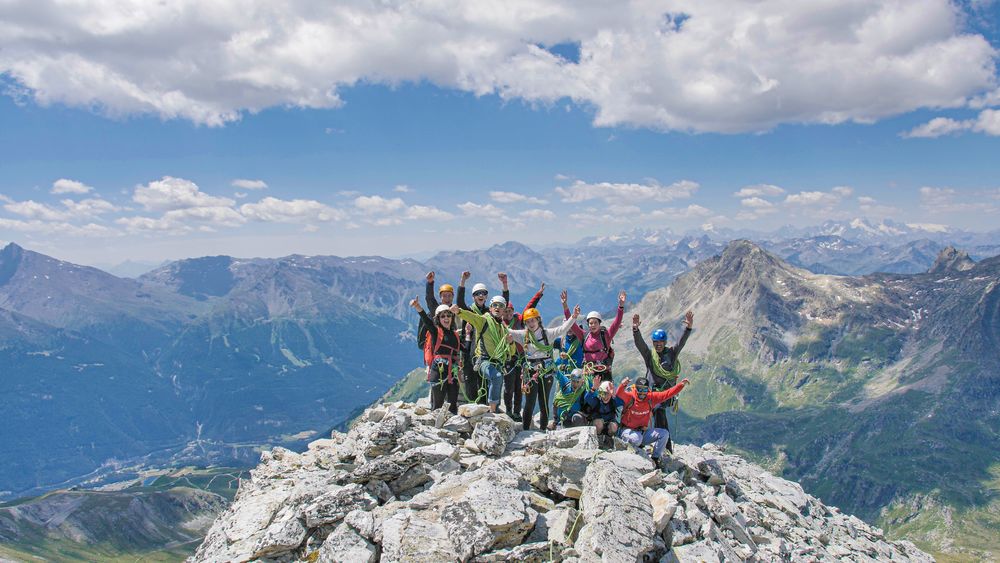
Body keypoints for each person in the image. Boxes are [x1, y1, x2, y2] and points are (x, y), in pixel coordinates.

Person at [509, 305, 579, 431]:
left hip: (545, 371)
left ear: (538, 320)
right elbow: (507, 331)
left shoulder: (547, 334)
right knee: (530, 403)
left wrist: (573, 317)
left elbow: (562, 329)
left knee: (543, 402)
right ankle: (525, 430)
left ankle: (542, 430)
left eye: (533, 320)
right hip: (531, 371)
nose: (531, 323)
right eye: (528, 321)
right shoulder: (523, 335)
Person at [632, 311, 694, 433]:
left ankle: (662, 441)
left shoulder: (671, 353)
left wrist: (688, 328)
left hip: (665, 394)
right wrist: (635, 330)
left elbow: (681, 343)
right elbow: (640, 345)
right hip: (651, 393)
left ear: (665, 342)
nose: (658, 344)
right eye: (655, 342)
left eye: (660, 342)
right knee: (654, 413)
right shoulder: (649, 355)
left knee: (659, 410)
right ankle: (661, 441)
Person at [456, 272, 510, 404]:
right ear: (473, 296)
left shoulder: (489, 311)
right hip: (470, 352)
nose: (481, 295)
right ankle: (473, 413)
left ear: (486, 297)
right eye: (477, 293)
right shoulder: (469, 310)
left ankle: (485, 411)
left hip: (484, 353)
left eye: (483, 293)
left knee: (484, 384)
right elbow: (459, 302)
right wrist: (462, 280)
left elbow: (503, 304)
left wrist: (504, 285)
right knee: (471, 383)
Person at [455, 298, 514, 414]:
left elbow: (511, 353)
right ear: (490, 307)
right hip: (483, 360)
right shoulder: (484, 321)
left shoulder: (503, 329)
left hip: (497, 362)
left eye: (501, 306)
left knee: (497, 379)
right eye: (495, 305)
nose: (497, 308)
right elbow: (471, 317)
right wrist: (459, 311)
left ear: (503, 310)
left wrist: (511, 342)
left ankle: (494, 406)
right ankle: (492, 410)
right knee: (496, 377)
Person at [616, 376, 690, 466]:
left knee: (664, 434)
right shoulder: (630, 397)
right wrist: (623, 385)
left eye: (645, 390)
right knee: (636, 439)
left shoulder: (651, 398)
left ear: (648, 389)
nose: (642, 393)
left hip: (642, 432)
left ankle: (655, 458)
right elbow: (619, 394)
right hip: (627, 431)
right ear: (635, 388)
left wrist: (681, 385)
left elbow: (667, 394)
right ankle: (628, 445)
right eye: (640, 389)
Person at [500, 281, 546, 422]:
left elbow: (529, 307)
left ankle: (516, 411)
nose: (508, 313)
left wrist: (539, 294)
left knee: (519, 386)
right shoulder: (501, 323)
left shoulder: (519, 320)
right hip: (508, 358)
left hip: (520, 358)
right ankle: (508, 410)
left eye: (510, 311)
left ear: (513, 311)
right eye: (506, 311)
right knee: (508, 387)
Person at [563, 289, 626, 384]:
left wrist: (621, 306)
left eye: (595, 323)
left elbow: (617, 323)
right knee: (589, 396)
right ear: (588, 325)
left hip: (604, 372)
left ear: (599, 323)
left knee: (605, 396)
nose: (593, 325)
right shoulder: (583, 335)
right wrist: (565, 305)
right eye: (590, 323)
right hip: (589, 372)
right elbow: (571, 323)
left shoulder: (606, 335)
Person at [410, 299, 462, 414]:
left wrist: (468, 335)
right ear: (438, 319)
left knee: (453, 404)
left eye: (448, 315)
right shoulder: (436, 332)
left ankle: (454, 430)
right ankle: (434, 430)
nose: (446, 318)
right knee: (437, 405)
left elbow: (464, 349)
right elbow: (426, 320)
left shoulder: (455, 335)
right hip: (438, 371)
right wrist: (418, 307)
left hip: (451, 372)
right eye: (443, 316)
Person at [584, 380, 625, 447]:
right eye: (603, 394)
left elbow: (622, 402)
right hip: (597, 426)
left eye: (607, 394)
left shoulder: (614, 401)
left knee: (614, 426)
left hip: (608, 425)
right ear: (600, 393)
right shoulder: (596, 401)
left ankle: (607, 439)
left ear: (611, 394)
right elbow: (587, 398)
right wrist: (593, 388)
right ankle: (598, 439)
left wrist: (615, 395)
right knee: (599, 423)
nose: (605, 397)